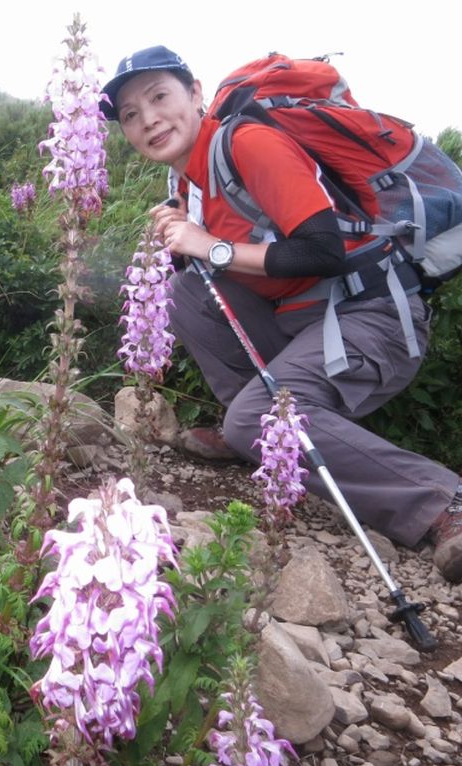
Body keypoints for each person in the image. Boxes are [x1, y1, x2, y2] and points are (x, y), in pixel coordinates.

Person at [99, 45, 462, 581]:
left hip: (375, 315)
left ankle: (443, 504)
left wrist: (211, 247)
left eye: (159, 97)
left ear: (195, 93)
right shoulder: (188, 183)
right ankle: (259, 437)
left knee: (252, 415)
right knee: (182, 292)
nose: (148, 119)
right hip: (305, 321)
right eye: (130, 114)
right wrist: (189, 244)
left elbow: (323, 251)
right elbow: (224, 268)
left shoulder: (249, 144)